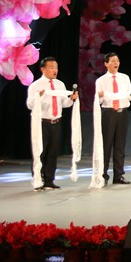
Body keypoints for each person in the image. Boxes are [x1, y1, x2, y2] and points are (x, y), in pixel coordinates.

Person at [27, 57, 78, 190]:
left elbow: (64, 103)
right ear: (43, 69)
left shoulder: (60, 84)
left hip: (56, 122)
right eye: (51, 67)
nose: (55, 70)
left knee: (53, 152)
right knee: (40, 152)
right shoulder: (36, 85)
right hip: (42, 122)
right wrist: (39, 97)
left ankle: (49, 180)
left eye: (56, 67)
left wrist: (71, 99)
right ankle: (38, 179)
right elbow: (29, 105)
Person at [96, 53, 131, 185]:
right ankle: (103, 175)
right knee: (106, 145)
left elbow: (129, 95)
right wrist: (99, 95)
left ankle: (118, 175)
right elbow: (98, 100)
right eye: (113, 61)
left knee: (120, 145)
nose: (116, 63)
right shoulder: (101, 80)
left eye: (117, 61)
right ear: (106, 64)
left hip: (122, 113)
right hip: (108, 113)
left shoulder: (124, 78)